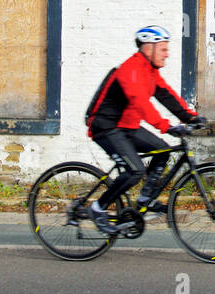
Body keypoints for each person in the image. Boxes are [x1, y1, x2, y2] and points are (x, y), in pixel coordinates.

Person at [86, 24, 202, 233]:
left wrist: (190, 117)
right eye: (163, 49)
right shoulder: (129, 70)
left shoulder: (150, 71)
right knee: (135, 170)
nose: (167, 54)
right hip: (106, 127)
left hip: (127, 127)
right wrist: (166, 127)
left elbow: (166, 95)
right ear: (149, 48)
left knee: (163, 152)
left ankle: (145, 200)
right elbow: (140, 102)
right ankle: (97, 208)